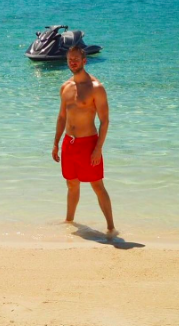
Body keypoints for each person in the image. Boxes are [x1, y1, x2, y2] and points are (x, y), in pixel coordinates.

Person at [52, 46, 117, 237]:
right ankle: (69, 222)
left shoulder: (96, 88)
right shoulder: (65, 87)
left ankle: (111, 227)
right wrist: (56, 142)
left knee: (97, 185)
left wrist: (98, 149)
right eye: (69, 59)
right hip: (69, 143)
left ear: (84, 61)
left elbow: (104, 121)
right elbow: (62, 117)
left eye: (76, 59)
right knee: (72, 184)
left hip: (88, 143)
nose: (72, 62)